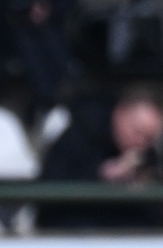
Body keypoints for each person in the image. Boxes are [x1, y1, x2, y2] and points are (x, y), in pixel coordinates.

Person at [39, 87, 162, 230]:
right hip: (72, 234)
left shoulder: (147, 154)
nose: (141, 142)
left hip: (129, 238)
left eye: (149, 138)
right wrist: (104, 174)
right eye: (137, 132)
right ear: (120, 114)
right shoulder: (81, 136)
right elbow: (51, 188)